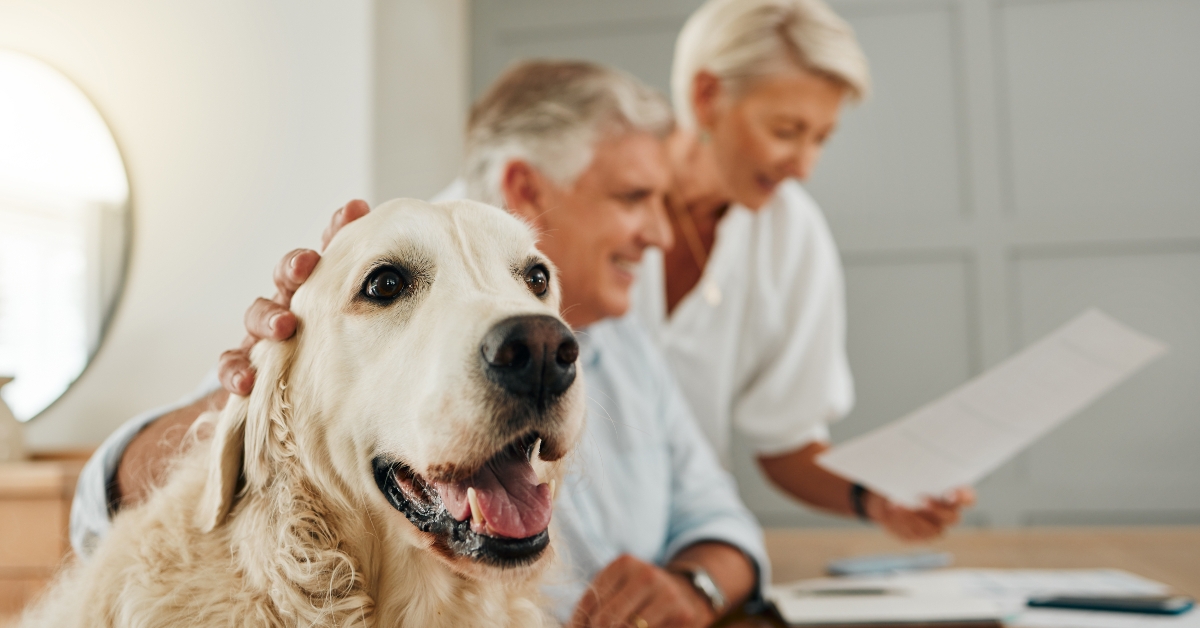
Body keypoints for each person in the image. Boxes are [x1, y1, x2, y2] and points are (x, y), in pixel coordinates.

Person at [72, 62, 765, 628]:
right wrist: (256, 384)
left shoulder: (626, 349)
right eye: (633, 197)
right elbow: (111, 496)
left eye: (533, 278)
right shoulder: (332, 289)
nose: (660, 233)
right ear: (526, 186)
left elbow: (722, 519)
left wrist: (695, 584)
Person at [627, 0, 974, 541]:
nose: (804, 166)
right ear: (706, 96)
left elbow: (787, 442)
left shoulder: (792, 235)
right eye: (787, 130)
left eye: (821, 138)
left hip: (684, 552)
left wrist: (876, 497)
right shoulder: (581, 183)